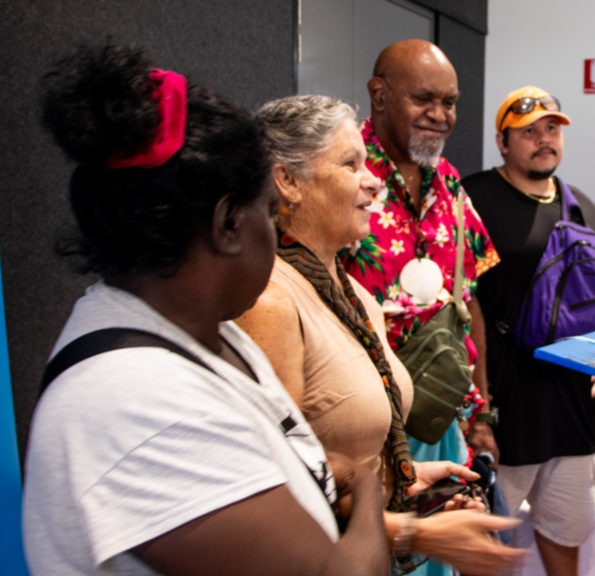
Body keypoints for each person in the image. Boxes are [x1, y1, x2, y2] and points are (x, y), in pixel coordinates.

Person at [22, 44, 389, 576]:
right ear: (228, 224)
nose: (275, 228)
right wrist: (368, 488)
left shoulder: (207, 334)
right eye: (268, 210)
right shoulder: (139, 401)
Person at [235, 94, 520, 576]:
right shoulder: (270, 305)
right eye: (351, 164)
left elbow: (345, 456)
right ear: (287, 181)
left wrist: (404, 484)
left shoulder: (357, 298)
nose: (373, 181)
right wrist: (414, 532)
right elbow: (278, 492)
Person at [462, 85, 595, 576]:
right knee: (484, 550)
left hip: (573, 415)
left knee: (565, 540)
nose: (543, 139)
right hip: (502, 414)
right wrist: (479, 409)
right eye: (528, 131)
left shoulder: (586, 210)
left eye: (551, 129)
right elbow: (461, 308)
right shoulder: (472, 199)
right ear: (503, 141)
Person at [340, 40, 500, 487]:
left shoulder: (449, 182)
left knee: (445, 548)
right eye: (423, 99)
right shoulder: (342, 177)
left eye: (448, 102)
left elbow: (471, 306)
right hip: (364, 425)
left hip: (444, 415)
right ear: (380, 94)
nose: (440, 114)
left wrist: (482, 413)